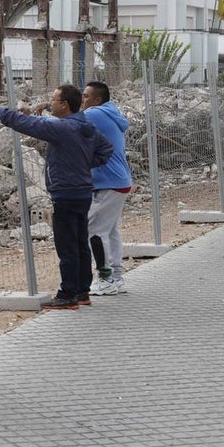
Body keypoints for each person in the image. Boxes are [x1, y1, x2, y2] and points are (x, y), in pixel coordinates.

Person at [0, 84, 112, 310]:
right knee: (80, 242)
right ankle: (82, 291)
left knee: (67, 244)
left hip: (66, 193)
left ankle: (68, 293)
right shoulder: (85, 126)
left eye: (53, 99)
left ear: (64, 105)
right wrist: (82, 164)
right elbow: (105, 150)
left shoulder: (62, 129)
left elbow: (27, 124)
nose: (50, 103)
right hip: (82, 192)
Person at [81, 81, 133, 295]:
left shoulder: (94, 114)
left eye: (86, 96)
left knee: (94, 230)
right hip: (118, 181)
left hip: (109, 182)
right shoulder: (109, 112)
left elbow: (65, 120)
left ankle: (105, 279)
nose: (83, 100)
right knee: (110, 230)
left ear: (97, 100)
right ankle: (116, 277)